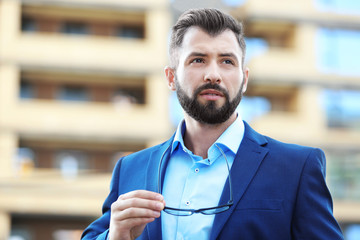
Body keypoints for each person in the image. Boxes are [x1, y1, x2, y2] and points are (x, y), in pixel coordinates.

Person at [81, 8, 344, 240]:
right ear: (171, 77)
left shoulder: (297, 168)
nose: (213, 75)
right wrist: (114, 237)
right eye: (198, 60)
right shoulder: (131, 169)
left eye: (227, 62)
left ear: (244, 79)